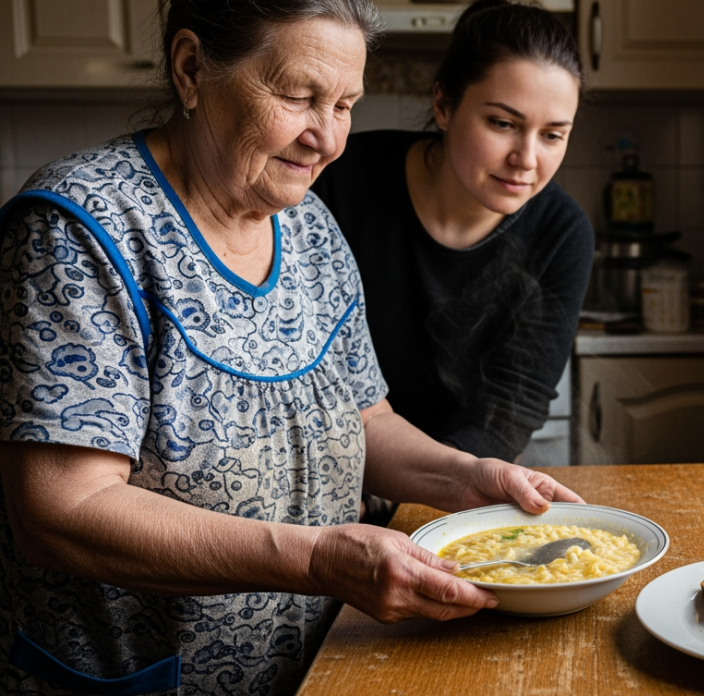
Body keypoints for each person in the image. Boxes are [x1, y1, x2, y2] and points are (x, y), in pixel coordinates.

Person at [0, 1, 581, 694]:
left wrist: (466, 477)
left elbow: (365, 420)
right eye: (300, 97)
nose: (327, 140)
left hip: (313, 668)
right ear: (191, 69)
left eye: (345, 106)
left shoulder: (308, 224)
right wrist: (314, 560)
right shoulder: (79, 229)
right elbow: (63, 511)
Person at [312, 0, 593, 469]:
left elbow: (513, 406)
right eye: (503, 124)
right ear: (443, 105)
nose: (526, 159)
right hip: (331, 467)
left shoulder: (562, 233)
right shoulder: (337, 184)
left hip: (458, 475)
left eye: (552, 135)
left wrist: (434, 484)